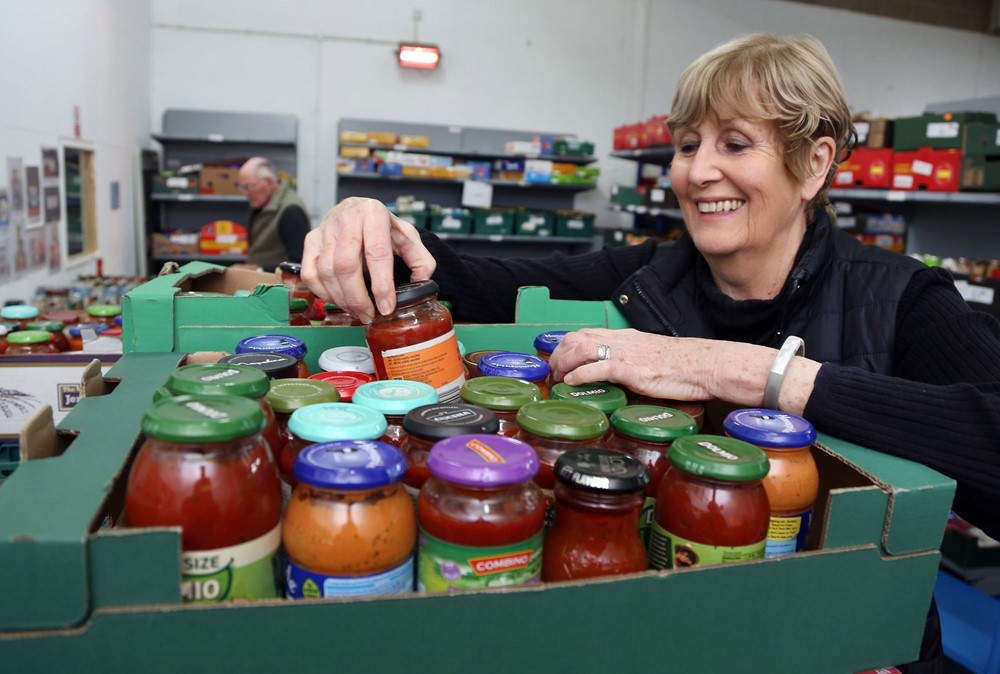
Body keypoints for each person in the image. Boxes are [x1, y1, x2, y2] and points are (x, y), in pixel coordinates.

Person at [302, 34, 1000, 672]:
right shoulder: (645, 277)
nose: (698, 172)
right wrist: (370, 223)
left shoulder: (904, 300)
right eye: (689, 144)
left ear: (813, 163)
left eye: (733, 144)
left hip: (854, 646)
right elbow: (471, 279)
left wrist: (753, 372)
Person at [237, 157, 311, 271]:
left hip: (277, 286)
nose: (246, 193)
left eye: (249, 187)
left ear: (268, 182)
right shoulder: (262, 204)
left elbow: (299, 264)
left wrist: (257, 269)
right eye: (242, 188)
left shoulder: (291, 211)